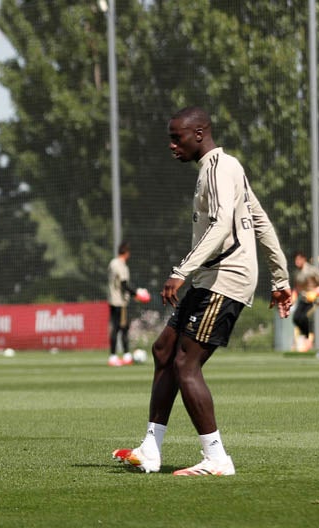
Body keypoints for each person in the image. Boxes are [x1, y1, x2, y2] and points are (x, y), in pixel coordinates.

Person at [113, 107, 293, 476]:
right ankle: (151, 448)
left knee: (185, 362)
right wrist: (280, 278)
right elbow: (259, 220)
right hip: (211, 277)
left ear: (199, 134)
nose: (171, 145)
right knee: (164, 349)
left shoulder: (218, 168)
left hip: (227, 277)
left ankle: (216, 458)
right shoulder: (225, 169)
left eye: (176, 137)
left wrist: (181, 271)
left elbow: (223, 223)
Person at [107, 241, 134, 367]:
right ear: (126, 253)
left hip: (113, 299)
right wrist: (136, 293)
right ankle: (125, 355)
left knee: (117, 327)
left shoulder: (112, 263)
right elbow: (124, 284)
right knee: (122, 328)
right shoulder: (121, 265)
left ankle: (114, 355)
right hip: (120, 302)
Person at [291, 251, 319, 351]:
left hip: (315, 300)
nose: (296, 261)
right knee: (296, 318)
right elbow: (297, 288)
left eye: (298, 259)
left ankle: (309, 338)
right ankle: (307, 336)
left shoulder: (311, 270)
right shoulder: (297, 273)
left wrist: (315, 292)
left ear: (304, 259)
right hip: (304, 299)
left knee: (304, 317)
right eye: (295, 259)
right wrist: (293, 298)